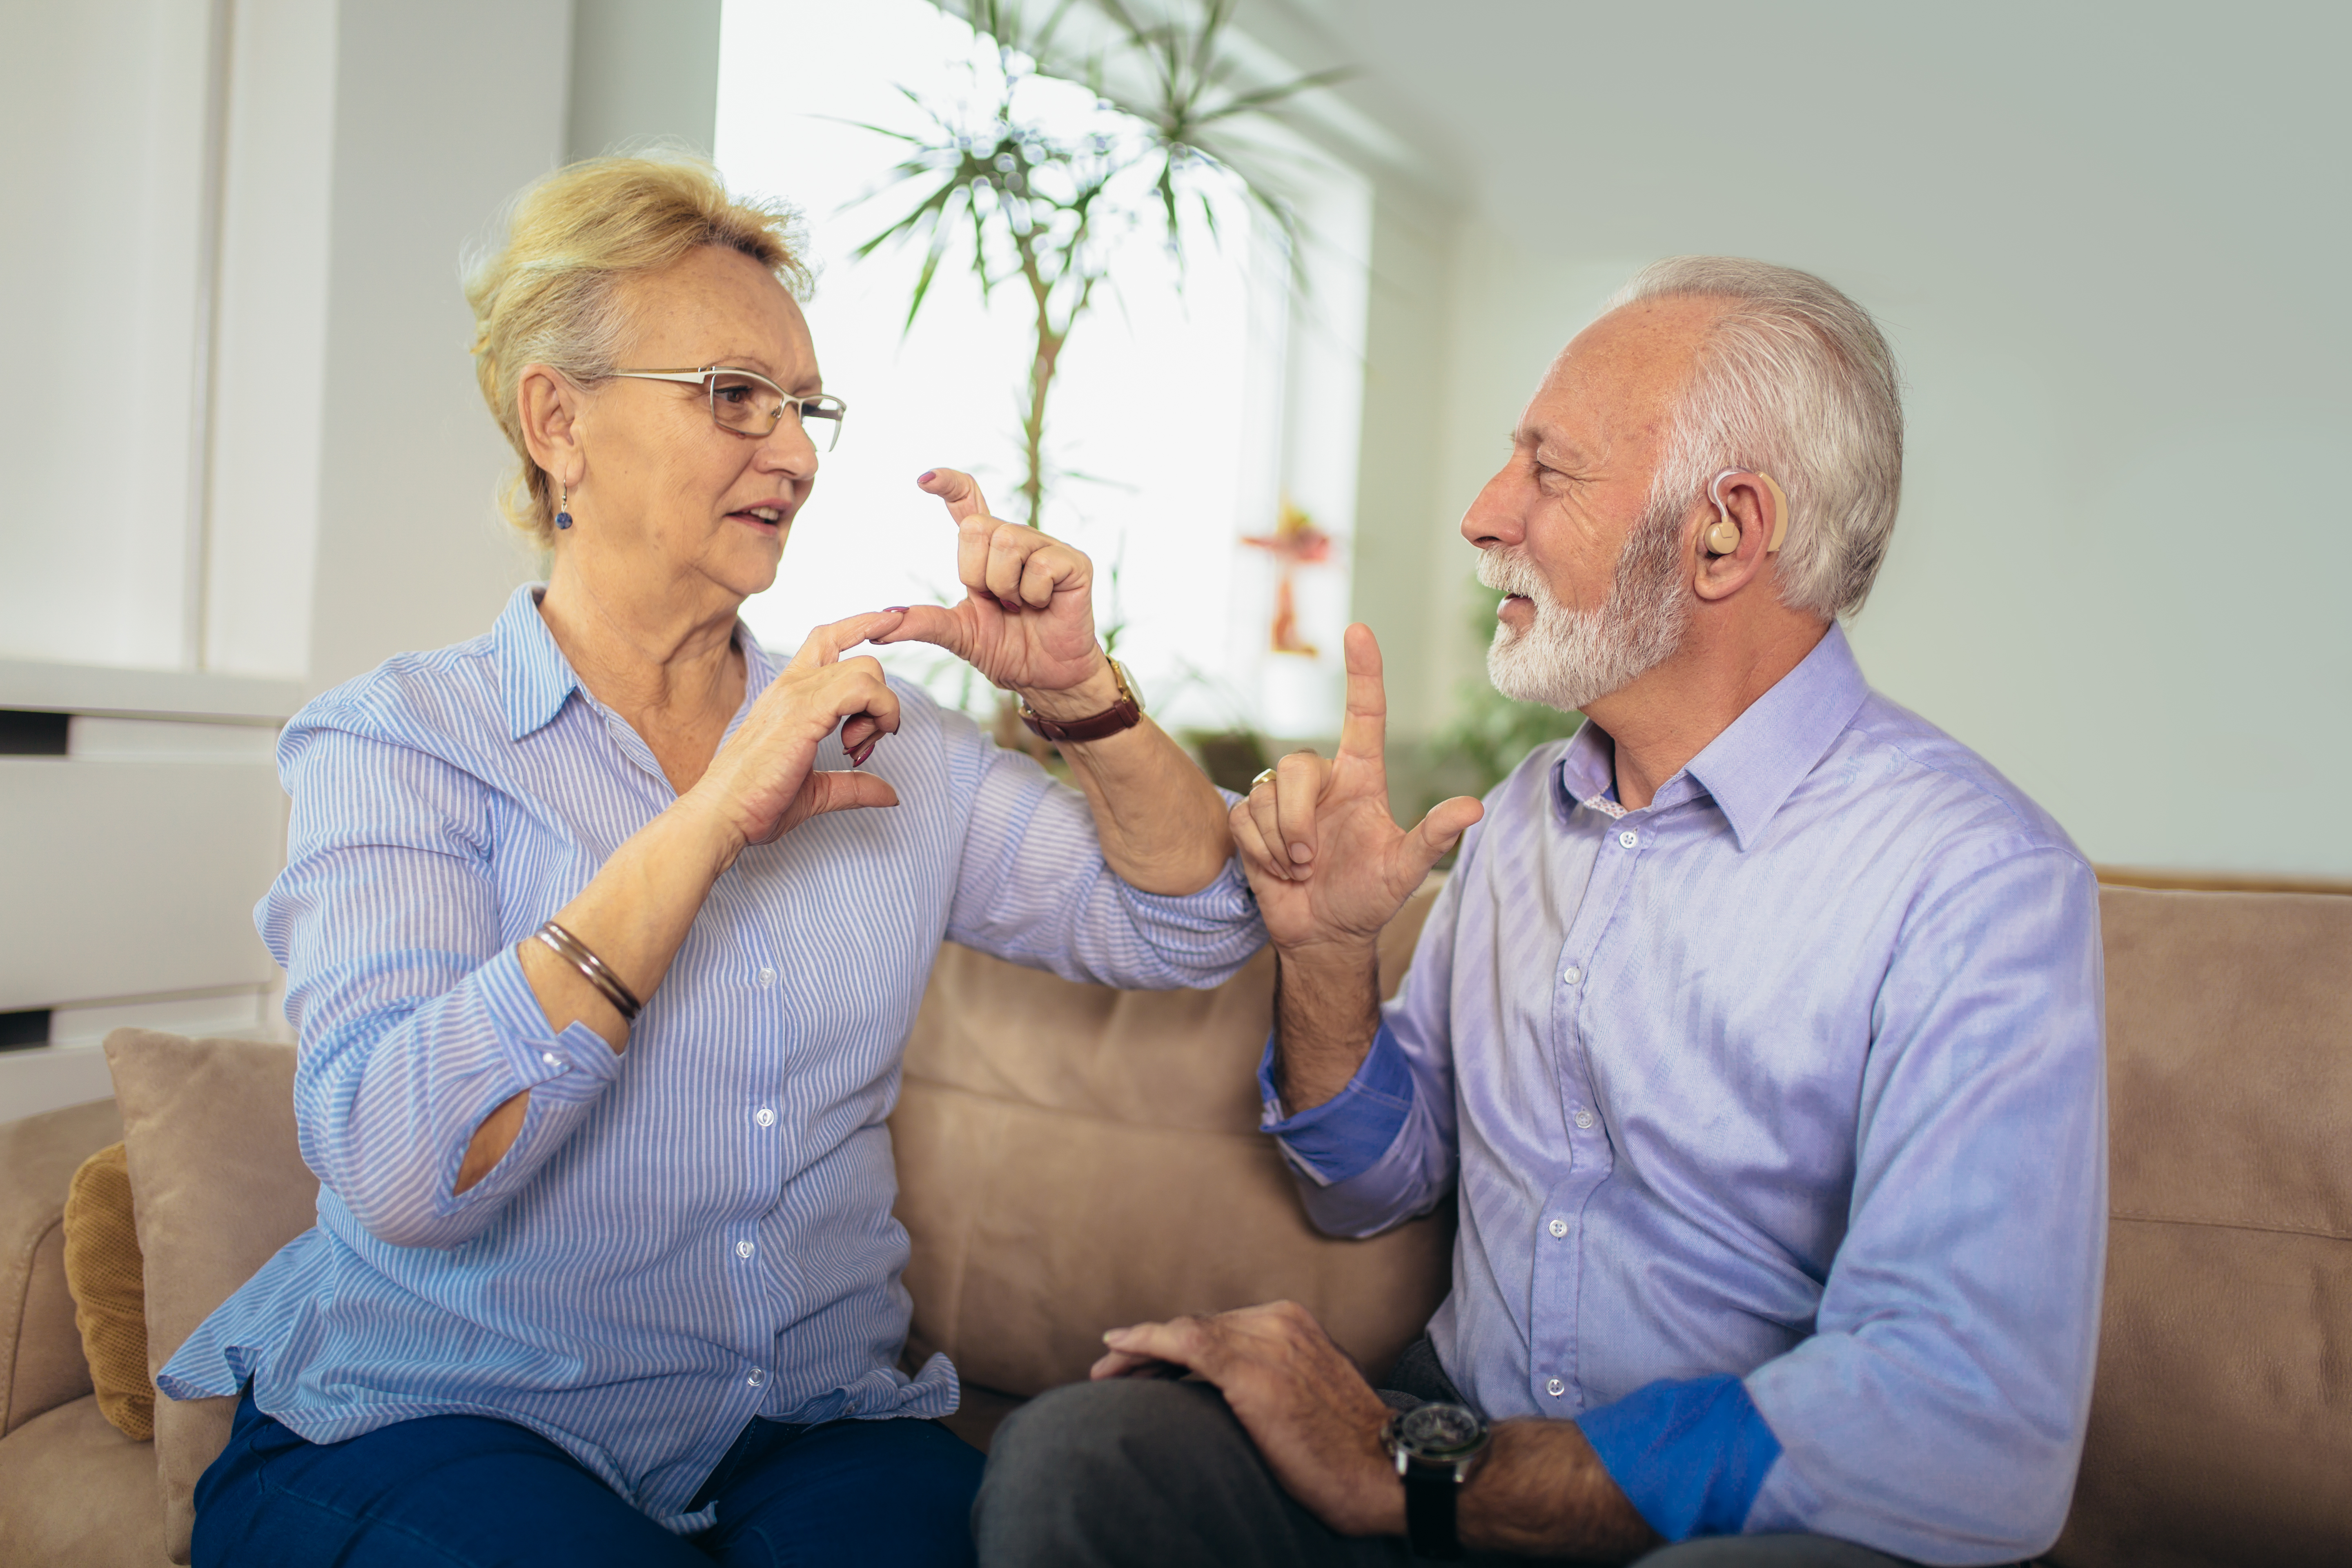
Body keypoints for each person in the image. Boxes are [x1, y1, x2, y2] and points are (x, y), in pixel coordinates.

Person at [158, 154, 1260, 1568]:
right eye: (735, 397)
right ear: (558, 419)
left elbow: (1193, 926)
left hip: (803, 1426)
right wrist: (708, 818)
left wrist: (1083, 699)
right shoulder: (401, 741)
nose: (795, 455)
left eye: (806, 408)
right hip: (434, 1416)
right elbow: (394, 1167)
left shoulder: (885, 738)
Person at [975, 258, 2106, 1566]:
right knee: (1086, 1458)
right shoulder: (1525, 814)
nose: (1482, 514)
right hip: (1445, 1438)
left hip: (1703, 1523)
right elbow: (1373, 1190)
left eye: (1546, 471)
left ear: (1726, 530)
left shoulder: (1978, 881)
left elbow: (1969, 1422)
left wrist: (1440, 1478)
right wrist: (1332, 952)